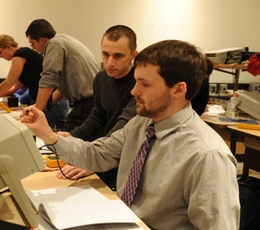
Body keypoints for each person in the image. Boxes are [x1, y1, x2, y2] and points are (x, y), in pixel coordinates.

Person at [20, 40, 240, 229]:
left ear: (178, 90)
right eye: (136, 81)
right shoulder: (142, 124)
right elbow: (98, 154)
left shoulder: (207, 155)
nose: (134, 91)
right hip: (123, 217)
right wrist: (50, 135)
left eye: (144, 84)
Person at [56, 25, 138, 191]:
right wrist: (72, 135)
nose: (109, 62)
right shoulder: (101, 78)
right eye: (105, 54)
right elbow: (98, 115)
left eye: (118, 56)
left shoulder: (140, 83)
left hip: (126, 157)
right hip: (109, 149)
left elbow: (124, 125)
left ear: (133, 55)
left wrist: (98, 160)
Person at [25, 19, 100, 131]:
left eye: (33, 44)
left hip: (87, 104)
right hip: (92, 101)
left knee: (67, 142)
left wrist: (36, 111)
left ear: (42, 40)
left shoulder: (53, 44)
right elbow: (65, 87)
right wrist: (41, 107)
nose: (33, 48)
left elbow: (48, 79)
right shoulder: (64, 40)